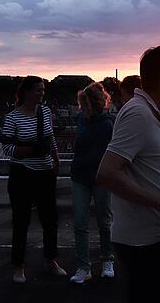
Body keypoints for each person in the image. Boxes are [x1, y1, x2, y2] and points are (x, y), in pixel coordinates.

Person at [97, 45, 160, 303]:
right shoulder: (138, 113)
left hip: (151, 236)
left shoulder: (147, 112)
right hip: (142, 241)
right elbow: (106, 174)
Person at [0, 76, 66, 283]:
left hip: (45, 173)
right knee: (21, 221)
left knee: (50, 220)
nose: (41, 93)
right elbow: (7, 148)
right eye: (38, 90)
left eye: (43, 90)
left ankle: (51, 260)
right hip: (22, 175)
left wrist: (56, 159)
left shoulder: (45, 112)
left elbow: (50, 138)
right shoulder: (12, 118)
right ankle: (19, 266)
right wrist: (31, 150)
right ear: (26, 92)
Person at [69, 82, 116, 284]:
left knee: (104, 222)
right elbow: (80, 147)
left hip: (100, 177)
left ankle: (107, 260)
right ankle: (83, 267)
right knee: (80, 223)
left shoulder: (107, 124)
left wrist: (81, 156)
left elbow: (95, 153)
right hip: (81, 177)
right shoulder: (82, 120)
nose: (82, 108)